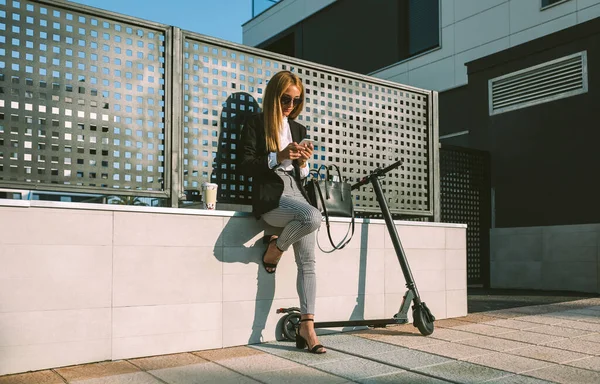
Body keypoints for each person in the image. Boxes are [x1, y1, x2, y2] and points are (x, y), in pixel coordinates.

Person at [239, 70, 326, 354]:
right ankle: (274, 250)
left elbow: (301, 175)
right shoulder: (255, 123)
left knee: (309, 263)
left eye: (296, 101)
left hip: (297, 194)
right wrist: (279, 156)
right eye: (286, 98)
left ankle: (307, 327)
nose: (290, 105)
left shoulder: (298, 129)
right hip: (272, 198)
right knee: (312, 217)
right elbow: (246, 164)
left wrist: (303, 162)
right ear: (274, 96)